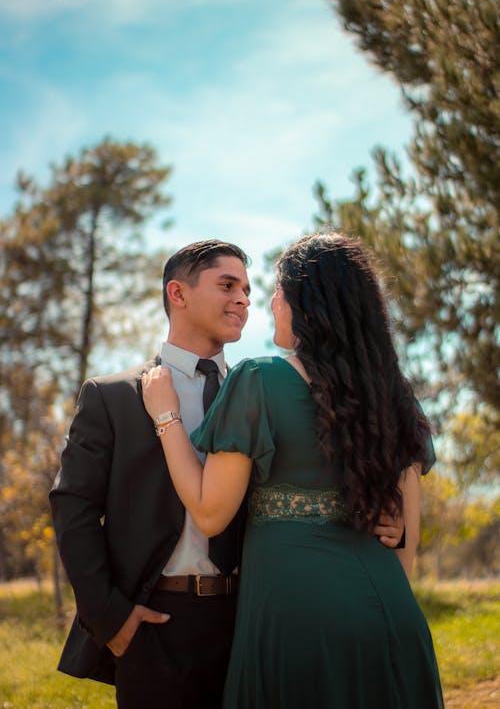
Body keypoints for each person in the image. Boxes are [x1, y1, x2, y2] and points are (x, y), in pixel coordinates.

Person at [50, 237, 403, 709]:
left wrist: (386, 524)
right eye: (227, 284)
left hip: (253, 615)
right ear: (178, 293)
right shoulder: (112, 396)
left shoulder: (264, 389)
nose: (244, 299)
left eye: (248, 289)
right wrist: (109, 616)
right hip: (153, 622)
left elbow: (310, 486)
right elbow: (73, 507)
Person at [142, 231, 444, 709]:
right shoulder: (393, 392)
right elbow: (404, 544)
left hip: (297, 620)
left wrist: (166, 415)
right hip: (390, 614)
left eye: (278, 290)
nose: (269, 302)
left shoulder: (260, 378)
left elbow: (209, 512)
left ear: (307, 300)